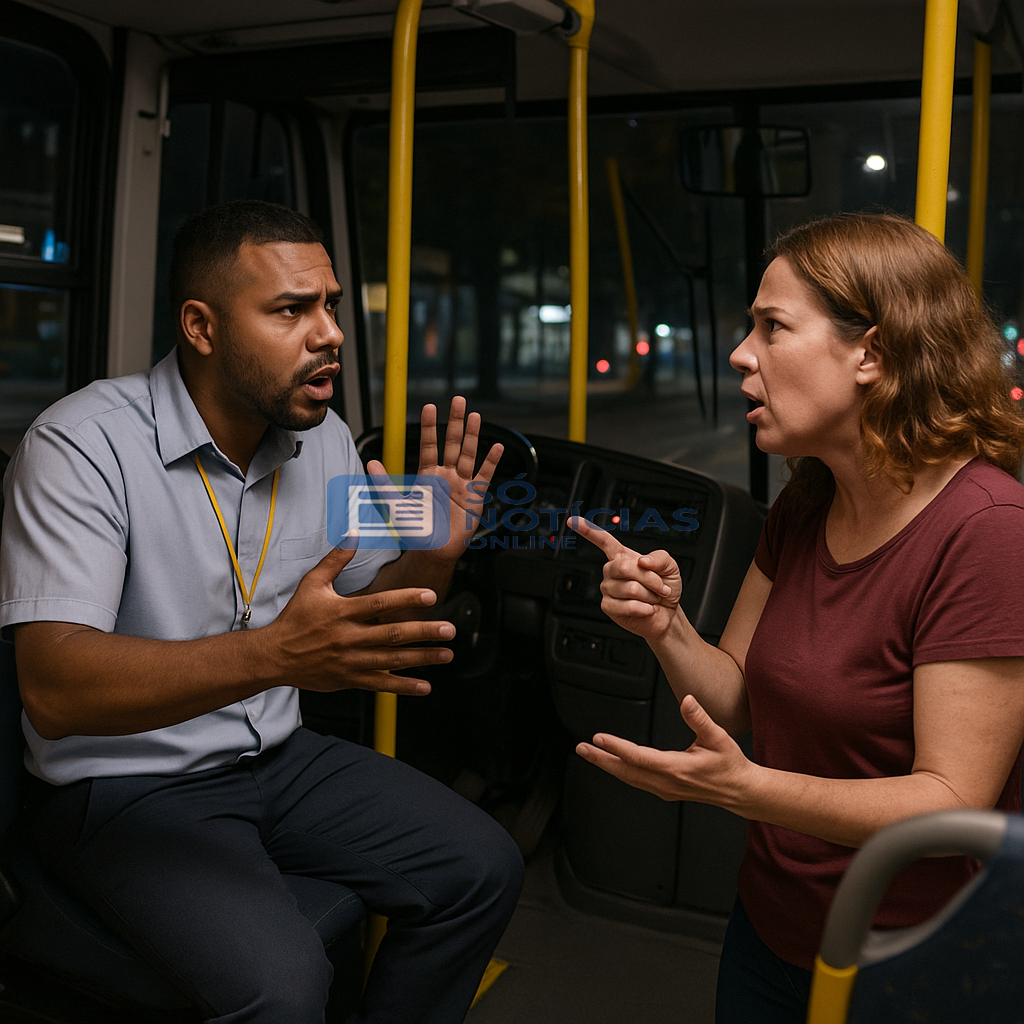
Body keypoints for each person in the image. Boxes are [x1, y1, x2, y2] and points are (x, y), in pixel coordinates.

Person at [0, 200, 524, 1024]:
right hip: (125, 784)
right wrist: (276, 656)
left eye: (331, 306)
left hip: (277, 758)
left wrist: (437, 551)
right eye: (291, 310)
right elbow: (55, 691)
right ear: (201, 327)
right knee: (283, 990)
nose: (330, 335)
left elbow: (373, 614)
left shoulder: (323, 437)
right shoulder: (80, 446)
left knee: (483, 867)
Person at [571, 212, 1024, 1023]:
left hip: (912, 956)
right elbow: (738, 698)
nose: (743, 354)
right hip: (774, 925)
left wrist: (748, 791)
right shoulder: (806, 503)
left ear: (872, 354)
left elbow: (951, 806)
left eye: (772, 327)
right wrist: (665, 626)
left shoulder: (989, 530)